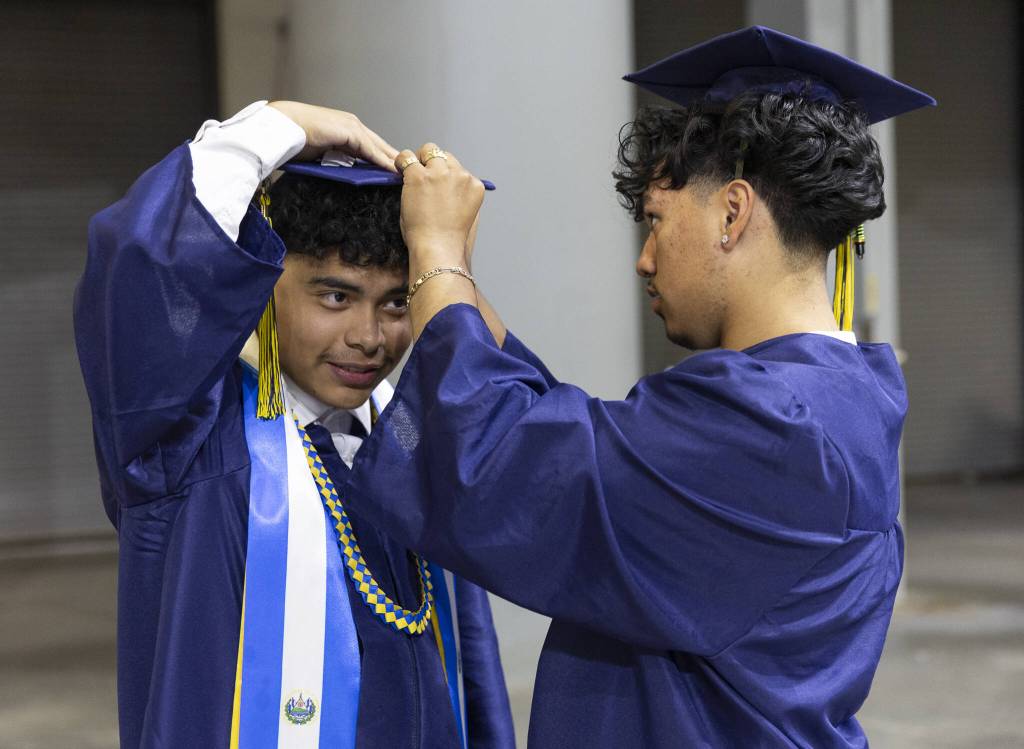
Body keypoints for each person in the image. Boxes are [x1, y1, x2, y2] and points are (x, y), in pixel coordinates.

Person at [338, 26, 935, 747]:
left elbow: (504, 464)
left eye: (655, 221)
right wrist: (456, 276)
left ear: (733, 212)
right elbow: (574, 445)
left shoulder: (772, 420)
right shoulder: (846, 392)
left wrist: (433, 248)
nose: (645, 259)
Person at [74, 100, 513, 749]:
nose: (368, 338)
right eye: (334, 296)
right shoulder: (194, 442)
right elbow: (142, 262)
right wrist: (281, 122)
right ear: (268, 283)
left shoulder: (415, 446)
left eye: (395, 303)